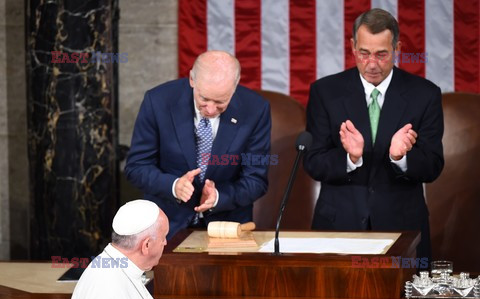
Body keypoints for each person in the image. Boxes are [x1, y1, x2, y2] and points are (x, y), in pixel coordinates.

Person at [304, 8, 444, 261]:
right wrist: (350, 158)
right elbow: (313, 162)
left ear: (397, 48)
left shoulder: (425, 95)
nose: (372, 64)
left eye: (381, 54)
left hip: (403, 229)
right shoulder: (325, 92)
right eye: (364, 53)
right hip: (339, 226)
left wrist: (401, 157)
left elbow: (433, 165)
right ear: (352, 47)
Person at [125, 50, 271, 239]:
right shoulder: (159, 101)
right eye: (203, 99)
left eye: (220, 102)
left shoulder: (256, 109)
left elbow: (256, 180)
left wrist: (218, 197)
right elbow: (136, 167)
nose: (210, 109)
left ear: (235, 87)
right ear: (192, 80)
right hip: (168, 226)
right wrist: (173, 185)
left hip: (226, 226)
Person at [65, 199, 169, 299]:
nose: (165, 243)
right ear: (146, 245)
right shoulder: (106, 290)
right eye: (163, 237)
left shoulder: (117, 267)